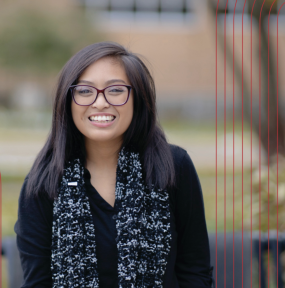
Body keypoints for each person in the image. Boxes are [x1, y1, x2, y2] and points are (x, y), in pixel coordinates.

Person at [14, 41, 214, 287]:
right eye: (85, 91)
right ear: (67, 101)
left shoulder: (173, 167)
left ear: (138, 99)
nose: (100, 103)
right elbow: (38, 282)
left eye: (116, 90)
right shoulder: (44, 183)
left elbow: (195, 271)